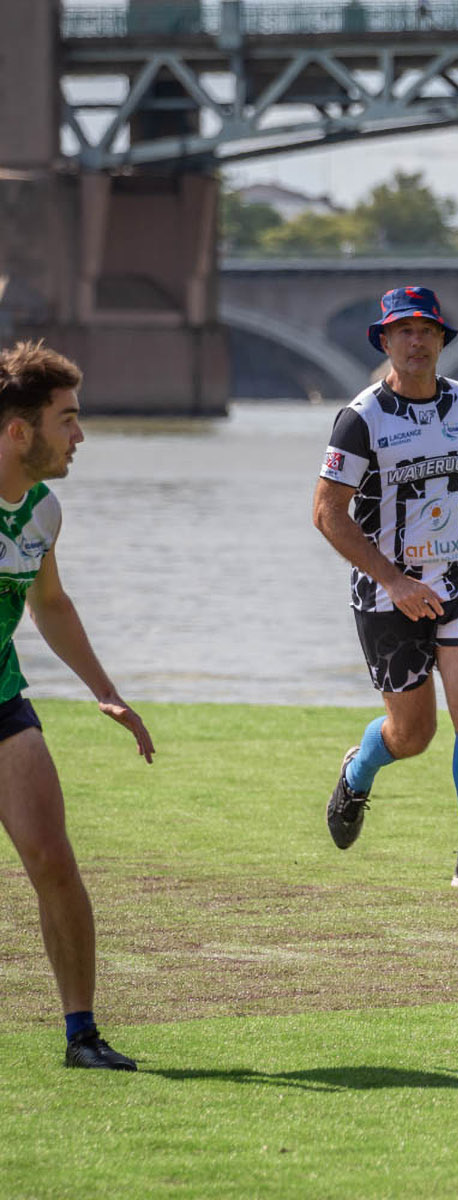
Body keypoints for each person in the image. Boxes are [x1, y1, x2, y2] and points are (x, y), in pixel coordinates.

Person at [312, 286, 458, 889]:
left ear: (441, 340)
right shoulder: (361, 419)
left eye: (426, 331)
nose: (416, 342)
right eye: (403, 332)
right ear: (385, 342)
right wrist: (393, 579)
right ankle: (359, 770)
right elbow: (327, 513)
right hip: (385, 594)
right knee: (413, 735)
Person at [0, 341, 156, 1070]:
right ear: (17, 430)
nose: (80, 436)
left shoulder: (41, 510)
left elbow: (50, 602)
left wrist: (106, 692)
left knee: (55, 862)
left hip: (3, 699)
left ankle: (81, 1034)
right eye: (68, 419)